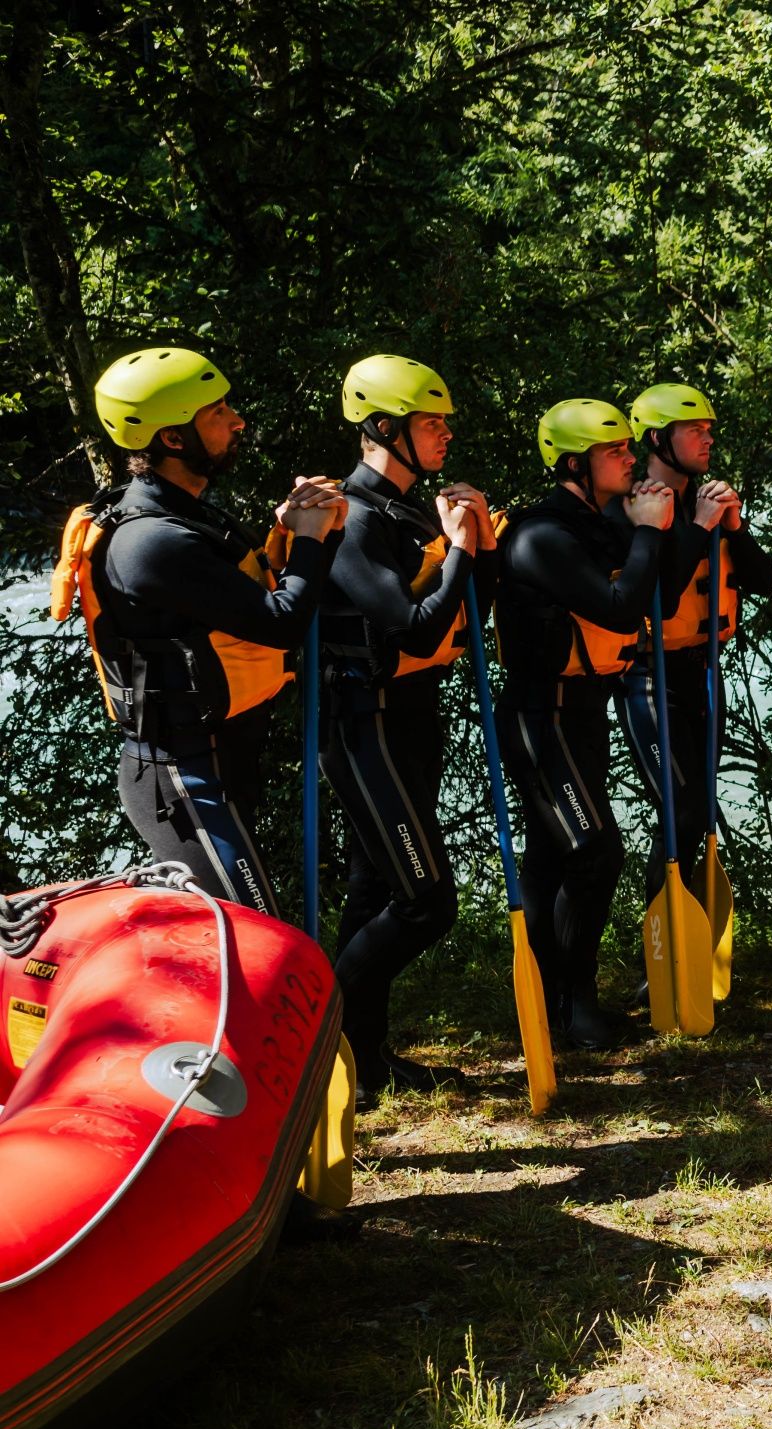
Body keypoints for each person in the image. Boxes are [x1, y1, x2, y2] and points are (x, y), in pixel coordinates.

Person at [62, 347, 346, 912]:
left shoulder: (190, 516)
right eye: (218, 413)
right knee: (263, 939)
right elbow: (281, 623)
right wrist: (311, 538)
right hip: (182, 778)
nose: (237, 421)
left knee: (243, 944)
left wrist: (312, 531)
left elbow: (264, 597)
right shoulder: (151, 541)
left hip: (220, 762)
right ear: (173, 438)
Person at [317, 355, 497, 1103]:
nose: (446, 434)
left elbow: (465, 615)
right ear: (385, 428)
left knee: (370, 893)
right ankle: (316, 1036)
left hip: (412, 723)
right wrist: (461, 549)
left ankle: (364, 1061)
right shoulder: (354, 519)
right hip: (367, 728)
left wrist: (476, 546)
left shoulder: (411, 510)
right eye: (431, 423)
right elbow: (415, 630)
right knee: (426, 901)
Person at [494, 399, 672, 1047]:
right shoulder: (542, 536)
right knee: (595, 853)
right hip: (541, 716)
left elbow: (660, 595)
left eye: (628, 446)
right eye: (614, 451)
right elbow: (622, 610)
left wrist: (664, 527)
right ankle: (575, 1003)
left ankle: (553, 1005)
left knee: (552, 859)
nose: (630, 458)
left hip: (583, 711)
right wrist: (648, 531)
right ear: (574, 464)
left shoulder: (598, 524)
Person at [613, 384, 772, 919]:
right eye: (694, 431)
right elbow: (657, 598)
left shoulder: (708, 502)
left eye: (709, 430)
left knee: (699, 812)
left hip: (703, 672)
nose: (708, 440)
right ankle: (663, 943)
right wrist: (701, 525)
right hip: (648, 677)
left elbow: (764, 581)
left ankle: (690, 934)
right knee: (680, 810)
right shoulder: (633, 505)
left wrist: (735, 527)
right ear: (658, 440)